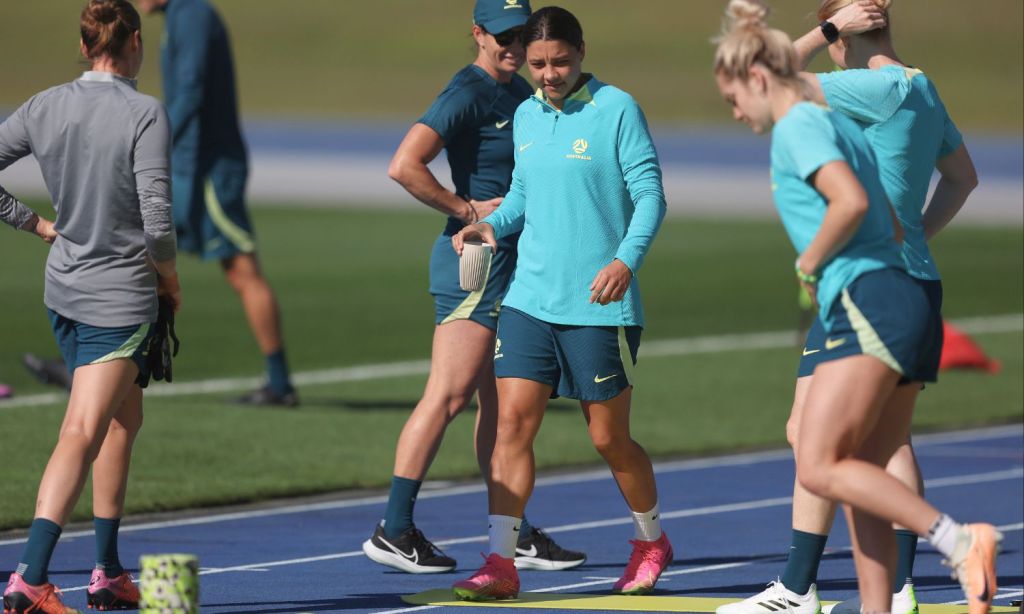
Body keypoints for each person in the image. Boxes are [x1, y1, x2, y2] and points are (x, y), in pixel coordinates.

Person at [711, 3, 1000, 614]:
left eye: (734, 97)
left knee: (821, 461)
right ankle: (884, 600)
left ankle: (955, 540)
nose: (733, 114)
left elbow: (843, 197)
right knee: (867, 459)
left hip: (868, 296)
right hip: (899, 288)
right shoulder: (886, 103)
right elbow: (903, 213)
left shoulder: (824, 111)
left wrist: (812, 261)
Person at [450, 6, 670, 601]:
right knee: (511, 429)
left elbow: (650, 196)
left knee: (608, 439)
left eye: (560, 62)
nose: (548, 74)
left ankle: (651, 541)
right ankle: (500, 561)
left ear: (581, 52)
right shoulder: (525, 113)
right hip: (529, 301)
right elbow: (523, 196)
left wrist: (625, 260)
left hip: (600, 304)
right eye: (539, 63)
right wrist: (487, 227)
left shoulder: (616, 109)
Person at [362, 0, 585, 575]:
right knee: (449, 395)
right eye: (504, 36)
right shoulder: (468, 90)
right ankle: (394, 527)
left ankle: (512, 531)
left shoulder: (518, 87)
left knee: (501, 404)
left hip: (516, 265)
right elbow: (405, 164)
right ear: (478, 34)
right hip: (476, 265)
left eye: (523, 35)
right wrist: (463, 207)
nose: (514, 46)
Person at [0, 1, 179, 612]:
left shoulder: (44, 104)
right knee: (82, 429)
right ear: (132, 43)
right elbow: (156, 219)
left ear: (85, 46)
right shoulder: (144, 112)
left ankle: (106, 571)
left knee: (123, 420)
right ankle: (29, 578)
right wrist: (171, 279)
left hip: (65, 291)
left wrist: (35, 225)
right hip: (120, 300)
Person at [134, 0, 297, 406]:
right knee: (139, 257)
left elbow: (190, 91)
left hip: (209, 171)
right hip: (191, 166)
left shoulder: (193, 16)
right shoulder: (180, 17)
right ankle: (103, 363)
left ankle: (279, 383)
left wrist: (155, 141)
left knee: (242, 270)